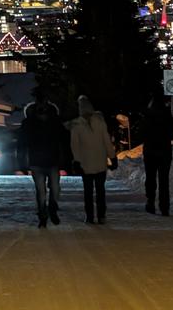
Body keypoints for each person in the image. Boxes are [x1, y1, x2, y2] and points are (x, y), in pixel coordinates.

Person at [18, 88, 68, 228]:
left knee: (54, 188)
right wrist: (22, 162)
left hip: (51, 161)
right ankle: (43, 215)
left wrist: (66, 160)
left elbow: (64, 140)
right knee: (42, 191)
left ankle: (51, 209)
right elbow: (21, 144)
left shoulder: (53, 120)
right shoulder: (30, 122)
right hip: (38, 162)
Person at [68, 95, 117, 224]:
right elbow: (107, 141)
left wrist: (77, 160)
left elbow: (75, 145)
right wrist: (112, 157)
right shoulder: (100, 122)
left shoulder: (76, 125)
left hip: (85, 164)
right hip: (100, 163)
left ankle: (89, 216)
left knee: (88, 192)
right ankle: (101, 215)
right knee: (100, 191)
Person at [141, 90, 173, 216]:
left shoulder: (148, 116)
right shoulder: (168, 116)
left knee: (150, 178)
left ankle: (150, 202)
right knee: (164, 180)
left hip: (150, 152)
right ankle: (164, 206)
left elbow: (143, 134)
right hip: (165, 152)